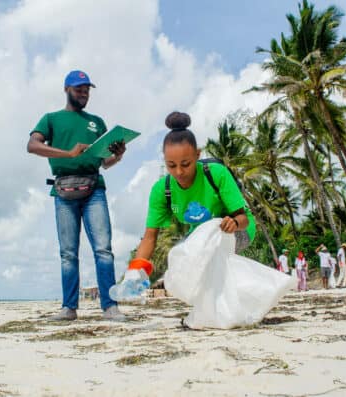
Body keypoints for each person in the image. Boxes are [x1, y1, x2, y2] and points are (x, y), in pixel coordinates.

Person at [27, 70, 127, 321]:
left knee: (103, 249)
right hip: (63, 190)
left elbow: (105, 162)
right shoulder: (51, 118)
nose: (84, 92)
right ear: (66, 89)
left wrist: (119, 154)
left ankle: (110, 307)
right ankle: (69, 308)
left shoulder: (97, 122)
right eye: (79, 88)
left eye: (87, 89)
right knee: (68, 253)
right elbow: (32, 145)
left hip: (94, 189)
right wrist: (69, 154)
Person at [133, 111, 256, 265]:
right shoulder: (161, 190)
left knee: (204, 253)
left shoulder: (216, 173)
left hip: (237, 230)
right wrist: (136, 270)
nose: (179, 172)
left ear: (197, 155)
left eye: (185, 164)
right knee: (178, 260)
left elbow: (243, 219)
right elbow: (150, 237)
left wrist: (234, 223)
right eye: (171, 165)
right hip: (198, 236)